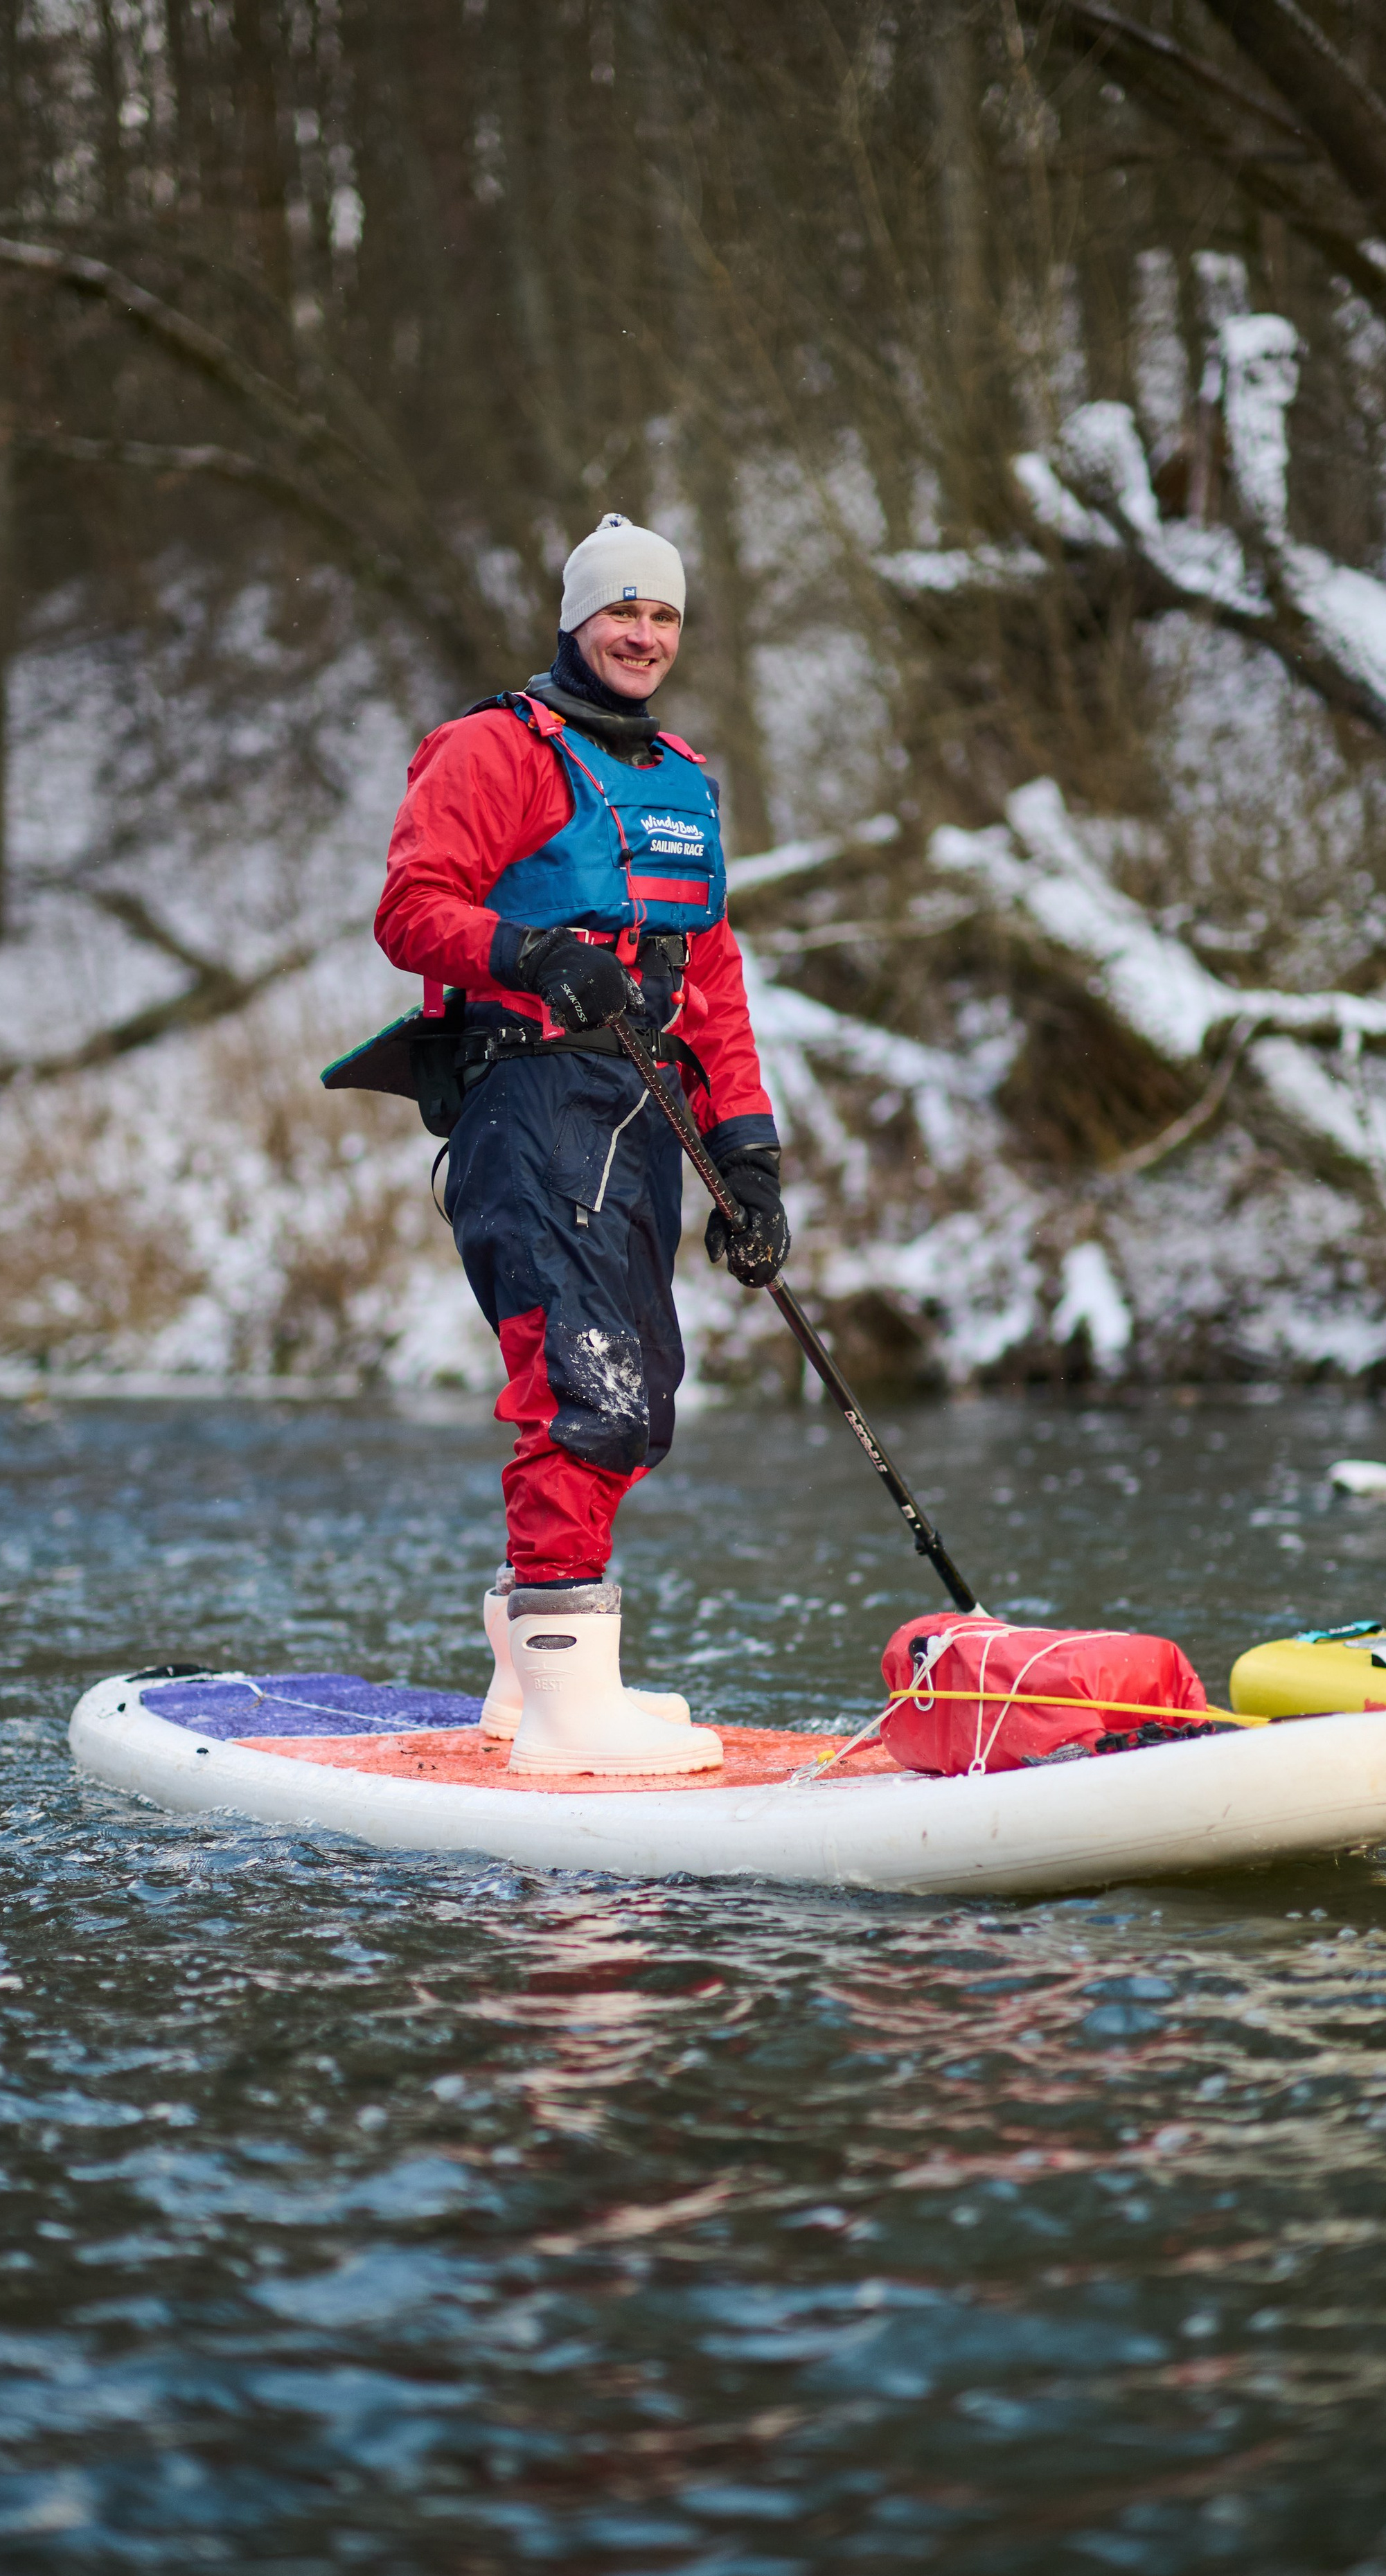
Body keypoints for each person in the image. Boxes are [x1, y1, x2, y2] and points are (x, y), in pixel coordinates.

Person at [375, 513, 791, 1779]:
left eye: (663, 615)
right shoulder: (493, 748)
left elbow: (711, 980)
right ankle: (570, 1710)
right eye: (622, 611)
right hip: (529, 1100)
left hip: (641, 1110)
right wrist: (530, 952)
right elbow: (411, 910)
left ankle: (534, 1673)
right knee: (584, 1388)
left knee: (642, 1389)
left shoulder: (683, 779)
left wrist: (749, 1160)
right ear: (576, 619)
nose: (643, 635)